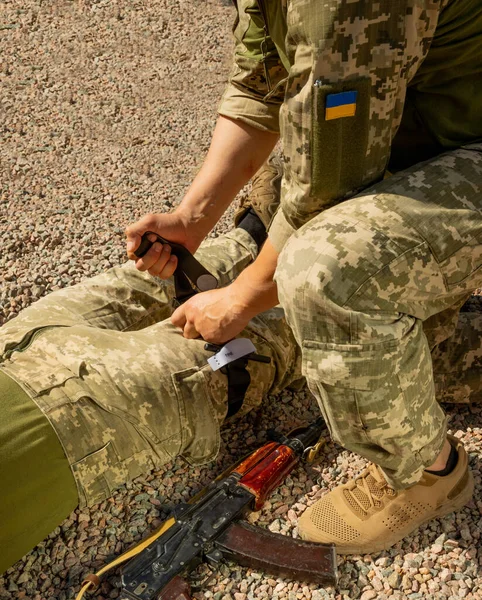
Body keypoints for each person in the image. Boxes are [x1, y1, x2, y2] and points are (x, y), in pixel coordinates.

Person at [1, 0, 482, 574]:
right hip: (426, 128)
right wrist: (192, 221)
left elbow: (329, 184)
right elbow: (262, 88)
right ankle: (282, 269)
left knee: (326, 273)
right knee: (289, 226)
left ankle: (430, 473)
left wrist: (242, 298)